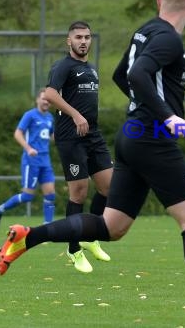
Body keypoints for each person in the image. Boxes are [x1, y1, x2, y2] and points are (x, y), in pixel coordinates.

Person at [0, 0, 185, 328]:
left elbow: (123, 74)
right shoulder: (168, 38)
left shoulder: (145, 31)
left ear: (157, 1)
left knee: (112, 226)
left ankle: (28, 238)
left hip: (132, 135)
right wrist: (166, 116)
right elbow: (136, 73)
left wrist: (144, 107)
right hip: (152, 138)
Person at [43, 20, 112, 273]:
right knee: (79, 193)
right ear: (69, 41)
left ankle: (89, 235)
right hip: (70, 137)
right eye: (78, 37)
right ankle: (73, 250)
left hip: (93, 136)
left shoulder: (91, 69)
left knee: (108, 187)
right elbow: (50, 94)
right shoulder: (63, 66)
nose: (83, 41)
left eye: (87, 37)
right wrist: (75, 115)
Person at [0, 88, 56, 229]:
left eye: (48, 100)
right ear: (37, 100)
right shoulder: (30, 115)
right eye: (44, 98)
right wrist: (28, 148)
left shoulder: (50, 118)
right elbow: (17, 133)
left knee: (50, 193)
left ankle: (48, 228)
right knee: (27, 196)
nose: (46, 102)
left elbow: (51, 137)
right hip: (31, 161)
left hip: (45, 161)